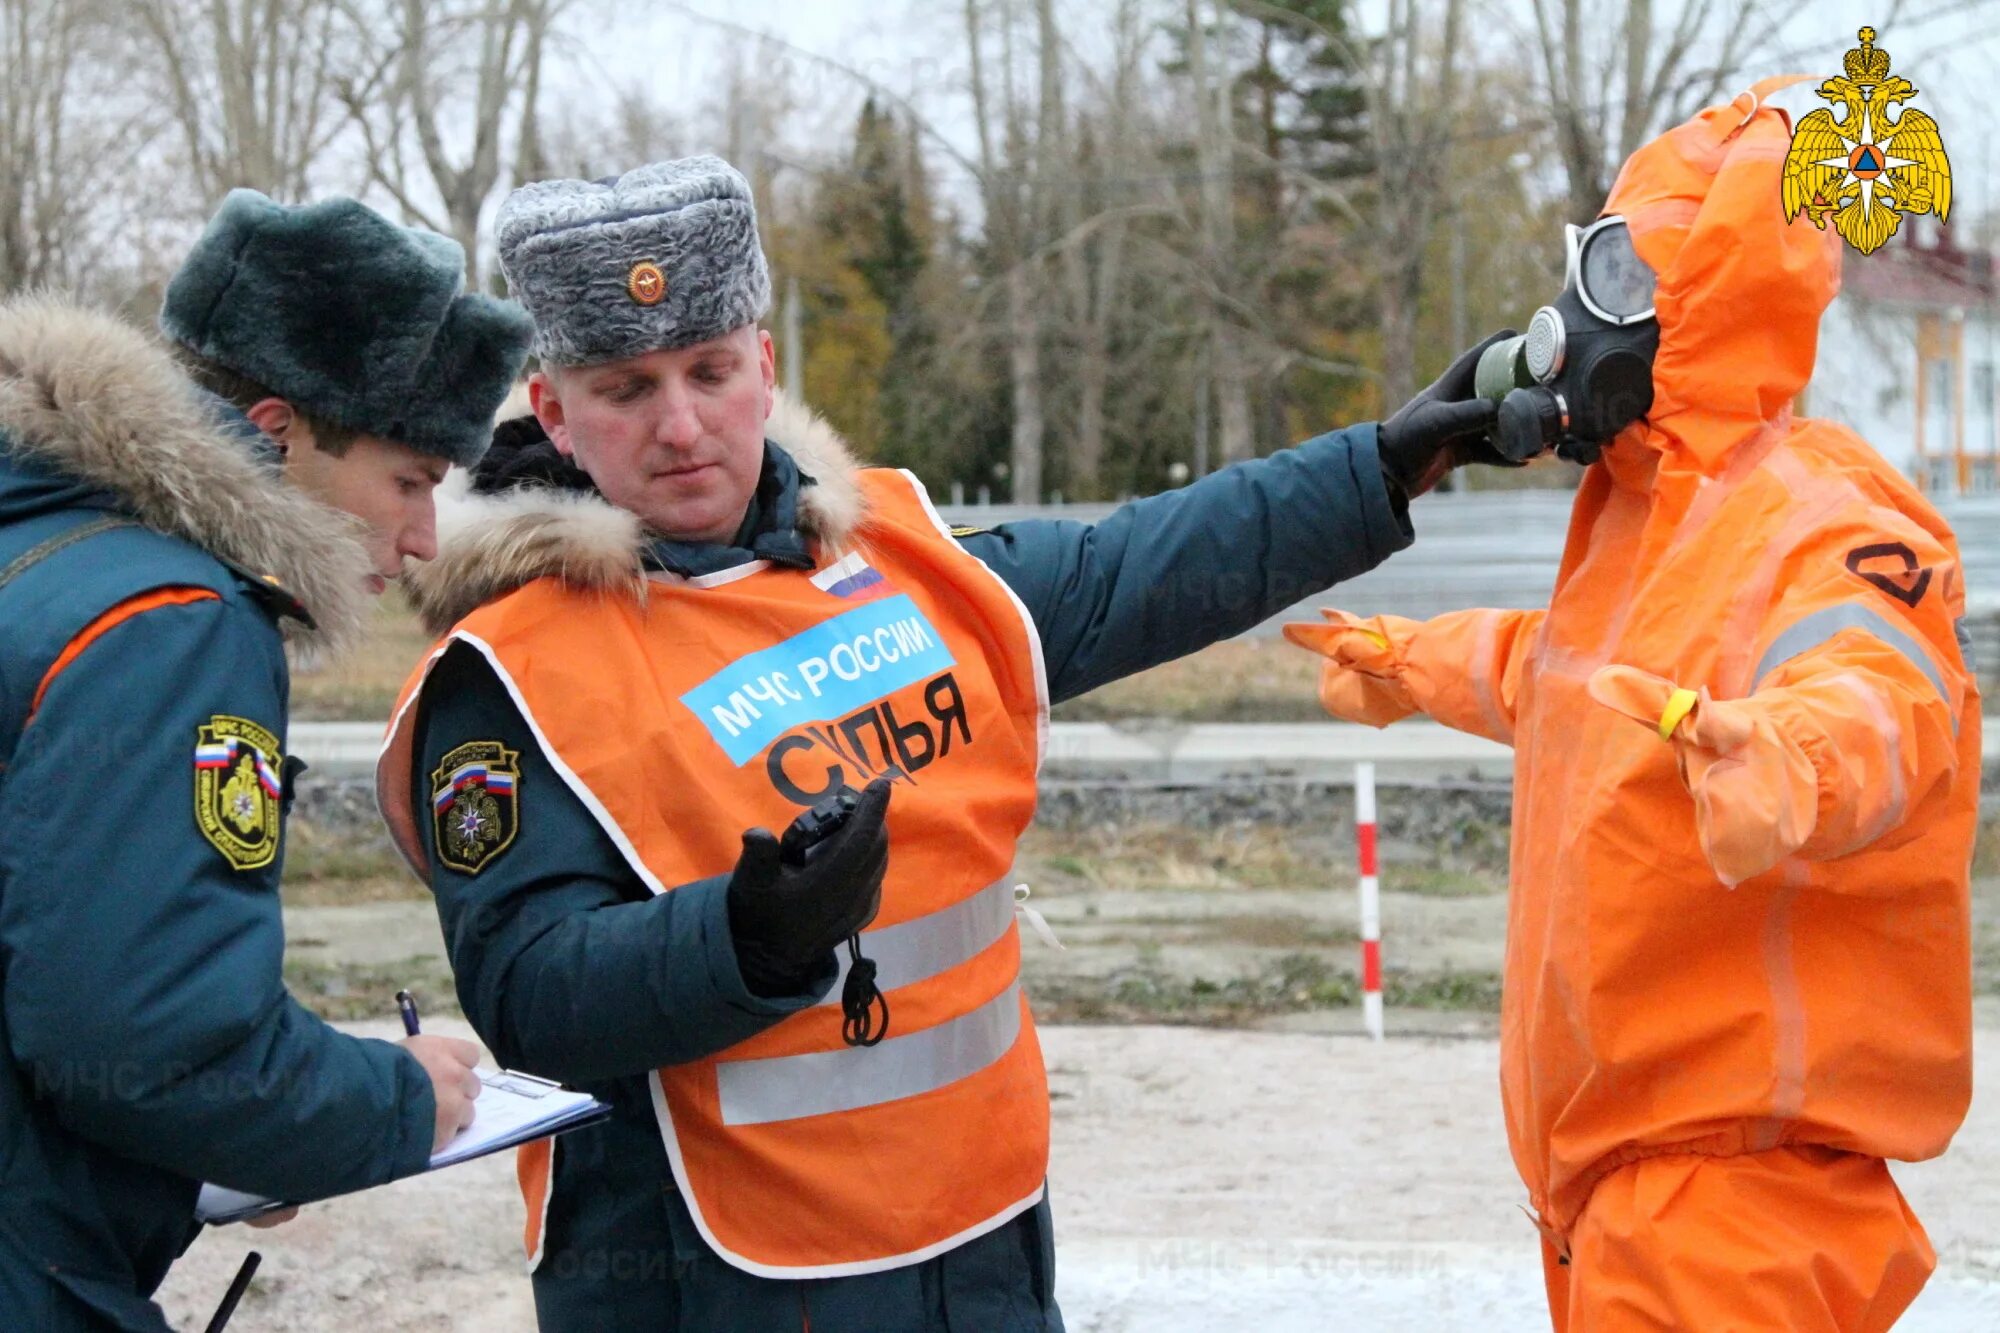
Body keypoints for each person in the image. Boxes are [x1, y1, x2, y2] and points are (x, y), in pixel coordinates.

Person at [375, 153, 1508, 1332]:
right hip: (714, 1274)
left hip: (981, 1233)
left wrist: (1387, 463)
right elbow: (529, 993)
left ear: (763, 367)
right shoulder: (508, 673)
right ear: (553, 409)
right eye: (625, 388)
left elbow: (1144, 565)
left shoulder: (912, 561)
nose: (681, 426)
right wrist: (743, 937)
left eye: (710, 371)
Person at [1287, 85, 1976, 1331]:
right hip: (1609, 1197)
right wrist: (1407, 661)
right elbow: (1558, 677)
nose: (1571, 319)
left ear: (1700, 296)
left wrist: (1788, 756)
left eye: (1617, 271)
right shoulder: (1639, 521)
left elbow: (1889, 694)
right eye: (1583, 266)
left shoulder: (1820, 515)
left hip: (1733, 1211)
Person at [0, 190, 534, 1330]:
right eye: (408, 480)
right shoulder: (170, 622)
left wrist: (222, 1152)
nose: (425, 538)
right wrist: (391, 1098)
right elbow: (146, 1041)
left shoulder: (38, 549)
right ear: (280, 428)